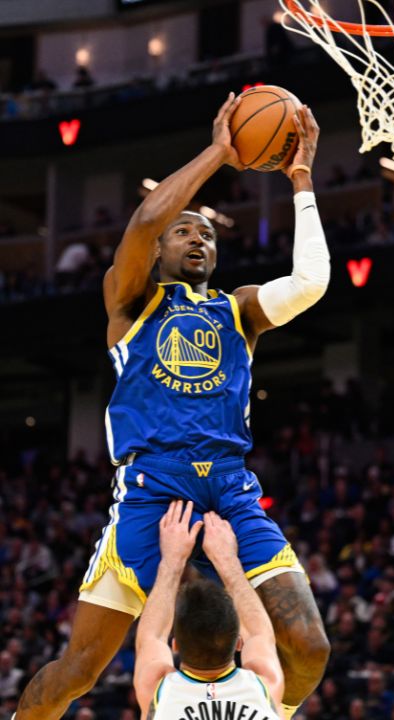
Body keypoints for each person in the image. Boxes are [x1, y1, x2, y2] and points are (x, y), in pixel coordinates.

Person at [16, 96, 329, 720]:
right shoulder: (129, 301)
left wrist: (301, 180)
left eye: (207, 234)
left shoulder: (238, 310)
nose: (197, 237)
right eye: (183, 230)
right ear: (159, 251)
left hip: (232, 494)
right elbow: (140, 225)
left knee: (311, 649)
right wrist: (221, 152)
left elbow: (311, 284)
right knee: (77, 672)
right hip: (152, 493)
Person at [134, 502, 283, 719]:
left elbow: (151, 637)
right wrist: (228, 561)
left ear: (175, 646)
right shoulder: (265, 685)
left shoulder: (158, 691)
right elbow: (259, 633)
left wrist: (172, 561)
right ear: (238, 643)